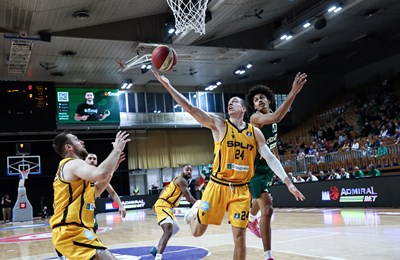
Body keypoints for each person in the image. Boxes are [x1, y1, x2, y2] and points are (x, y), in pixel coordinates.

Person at [152, 70, 305, 260]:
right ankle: (194, 212)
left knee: (240, 238)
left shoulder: (255, 133)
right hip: (217, 186)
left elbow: (271, 158)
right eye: (229, 102)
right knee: (197, 232)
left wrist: (288, 183)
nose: (230, 103)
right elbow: (191, 109)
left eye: (234, 101)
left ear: (243, 109)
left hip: (240, 191)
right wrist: (168, 86)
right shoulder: (219, 125)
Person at [244, 77, 307, 260]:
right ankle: (268, 255)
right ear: (254, 106)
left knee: (259, 200)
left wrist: (279, 170)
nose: (259, 100)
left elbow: (273, 146)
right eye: (255, 100)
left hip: (268, 168)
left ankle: (249, 220)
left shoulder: (271, 115)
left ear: (269, 100)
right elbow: (277, 116)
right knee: (268, 207)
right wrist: (293, 92)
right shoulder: (256, 118)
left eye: (262, 97)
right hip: (254, 170)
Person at [50, 130, 130, 260]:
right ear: (69, 147)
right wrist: (117, 149)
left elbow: (97, 190)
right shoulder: (72, 163)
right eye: (76, 139)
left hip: (74, 230)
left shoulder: (75, 172)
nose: (81, 142)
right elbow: (101, 173)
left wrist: (111, 170)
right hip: (71, 231)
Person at [150, 164, 197, 260]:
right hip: (164, 205)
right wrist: (199, 204)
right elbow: (189, 198)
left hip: (167, 206)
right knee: (168, 231)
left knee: (175, 228)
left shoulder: (176, 179)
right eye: (187, 169)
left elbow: (164, 189)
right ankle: (158, 257)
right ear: (182, 170)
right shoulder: (182, 180)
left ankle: (155, 248)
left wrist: (156, 202)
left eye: (191, 170)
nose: (189, 172)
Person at [85, 153, 127, 232]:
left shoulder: (99, 176)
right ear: (85, 160)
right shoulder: (81, 174)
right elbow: (97, 186)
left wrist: (121, 205)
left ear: (97, 162)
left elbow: (112, 193)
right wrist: (111, 171)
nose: (92, 160)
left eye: (94, 159)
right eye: (90, 158)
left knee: (92, 233)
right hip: (78, 210)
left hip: (90, 210)